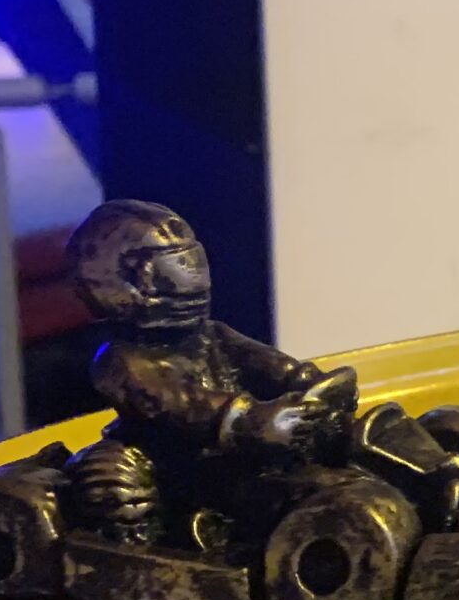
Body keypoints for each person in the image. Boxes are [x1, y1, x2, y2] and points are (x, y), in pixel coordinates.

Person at [62, 199, 346, 548]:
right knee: (310, 491)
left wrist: (305, 383)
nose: (190, 278)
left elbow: (268, 363)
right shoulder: (121, 361)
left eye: (188, 262)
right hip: (180, 469)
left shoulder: (212, 335)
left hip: (235, 456)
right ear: (132, 280)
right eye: (176, 266)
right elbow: (175, 401)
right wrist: (247, 420)